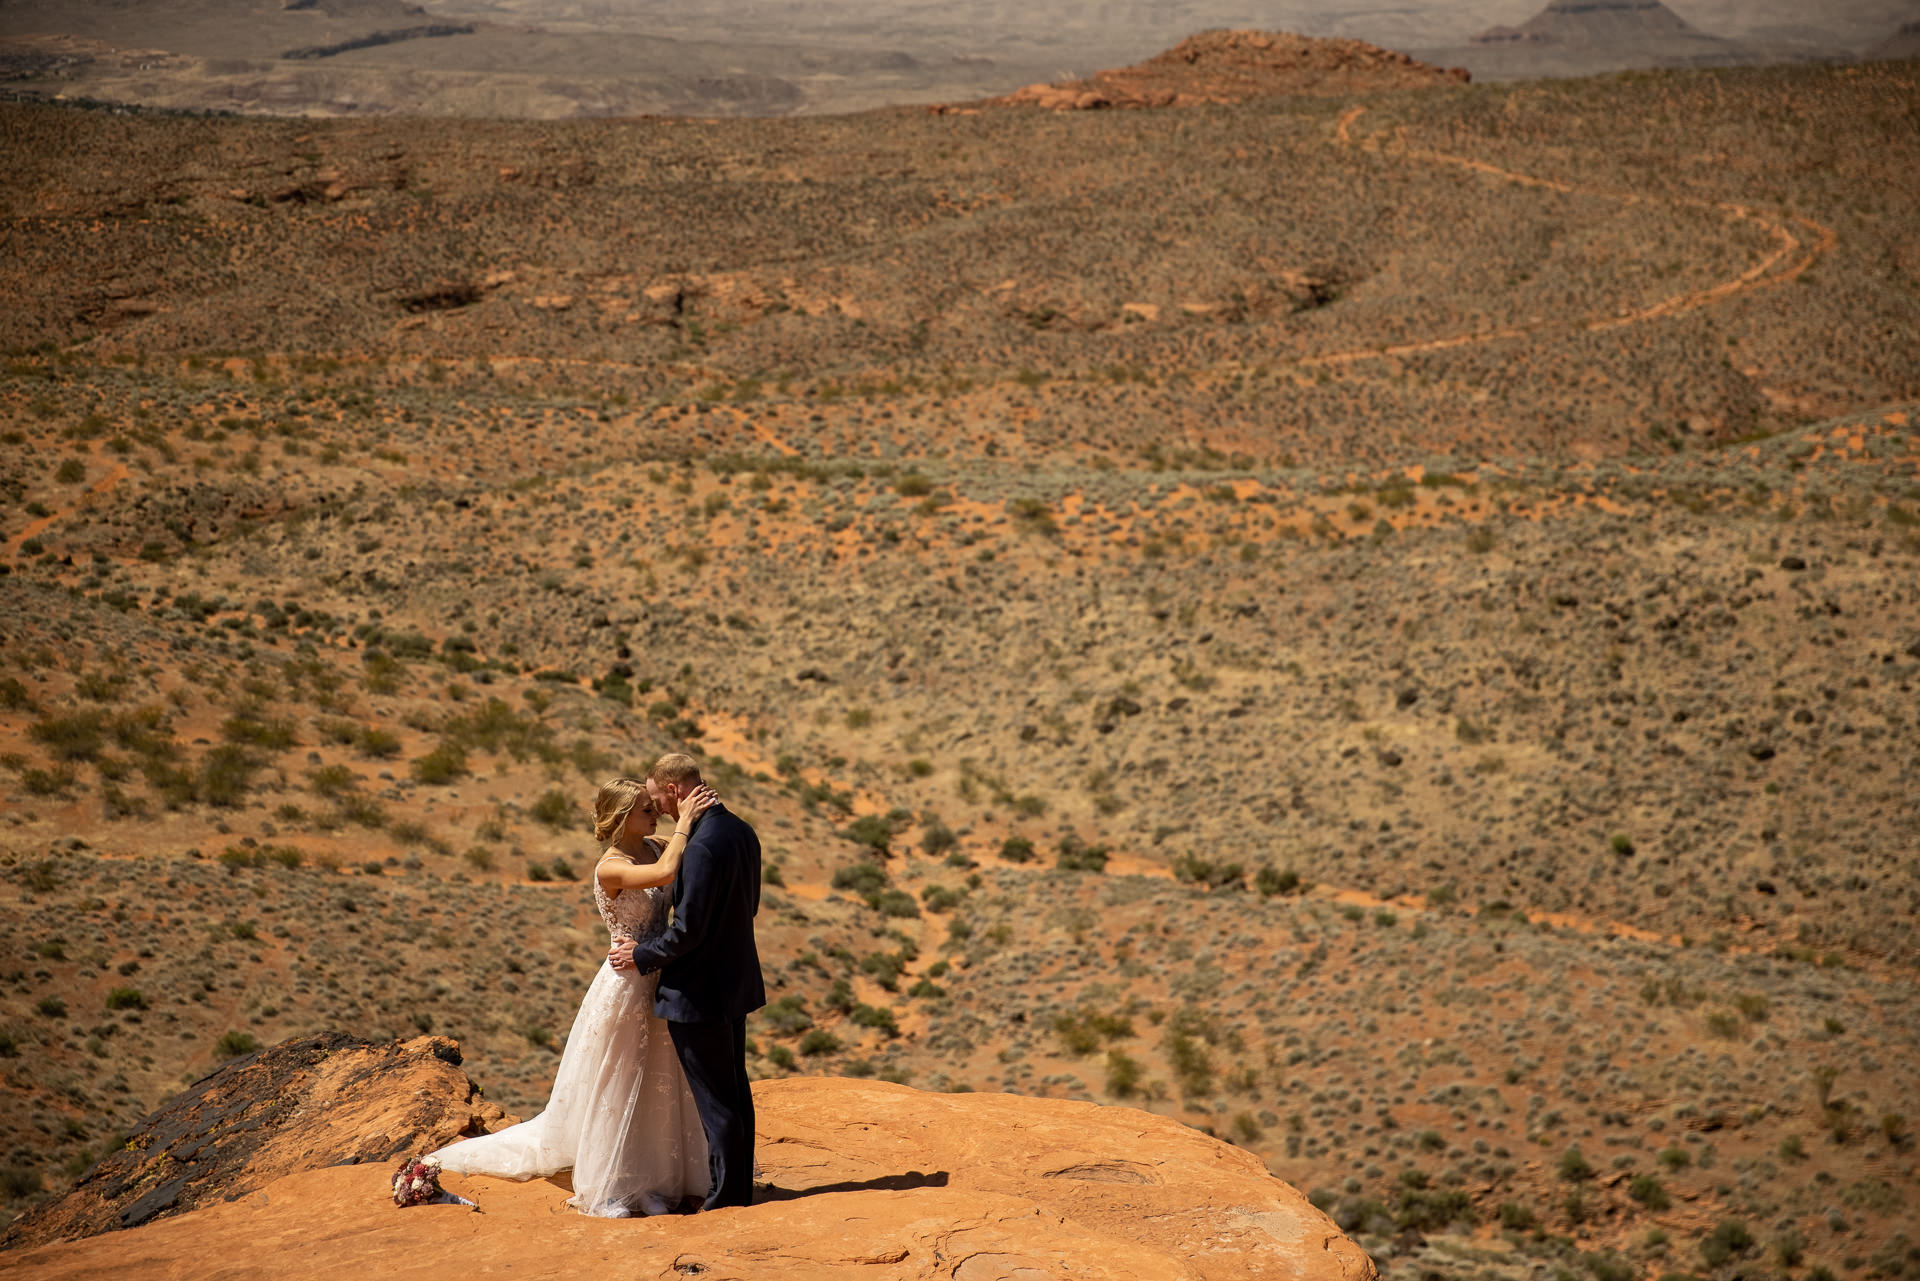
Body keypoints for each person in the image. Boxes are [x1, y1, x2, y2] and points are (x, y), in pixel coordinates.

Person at [430, 777, 717, 1216]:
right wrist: (685, 821)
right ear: (621, 819)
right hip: (628, 983)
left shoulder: (657, 844)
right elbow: (665, 875)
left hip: (662, 973)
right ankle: (617, 1176)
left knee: (665, 1074)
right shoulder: (611, 865)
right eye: (645, 808)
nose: (654, 812)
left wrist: (693, 811)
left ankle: (672, 1171)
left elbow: (684, 855)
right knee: (623, 1076)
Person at [608, 752, 766, 1211]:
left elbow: (688, 931)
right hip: (734, 981)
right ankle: (735, 1187)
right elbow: (748, 906)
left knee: (717, 1101)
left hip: (698, 990)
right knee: (734, 1090)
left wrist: (639, 955)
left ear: (674, 789)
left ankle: (727, 1199)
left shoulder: (699, 845)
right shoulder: (741, 831)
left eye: (655, 795)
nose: (654, 805)